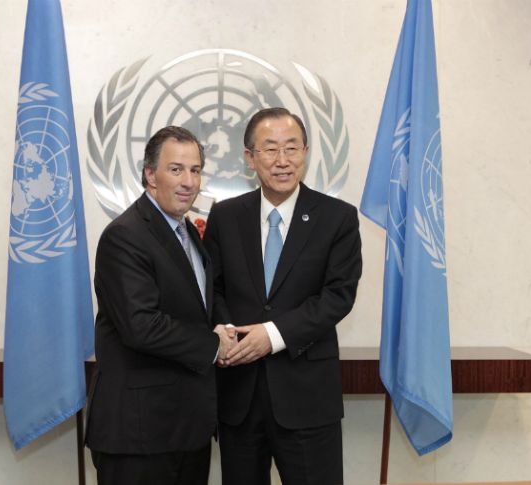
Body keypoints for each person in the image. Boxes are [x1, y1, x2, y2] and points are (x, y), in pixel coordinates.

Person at [203, 107, 362, 485]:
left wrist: (272, 336)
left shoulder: (337, 218)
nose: (282, 161)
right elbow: (213, 288)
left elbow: (337, 296)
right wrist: (229, 334)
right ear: (249, 157)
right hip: (239, 396)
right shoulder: (225, 216)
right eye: (270, 149)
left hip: (307, 397)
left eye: (292, 148)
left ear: (306, 152)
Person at [85, 126, 236, 485]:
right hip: (139, 435)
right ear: (150, 174)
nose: (188, 181)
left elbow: (202, 304)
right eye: (176, 169)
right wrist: (214, 345)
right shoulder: (126, 236)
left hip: (186, 430)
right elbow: (141, 325)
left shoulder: (188, 235)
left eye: (195, 170)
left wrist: (228, 330)